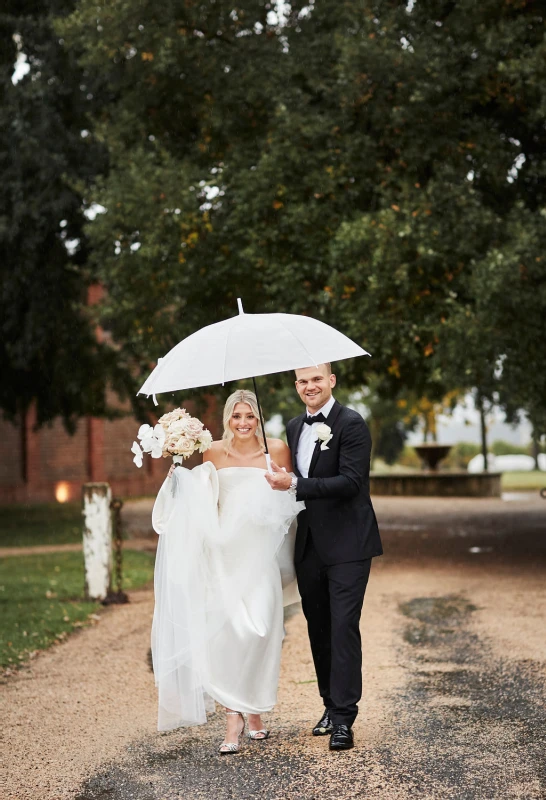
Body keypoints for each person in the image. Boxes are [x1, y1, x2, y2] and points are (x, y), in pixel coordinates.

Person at [151, 390, 302, 754]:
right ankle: (234, 717)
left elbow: (292, 497)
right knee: (229, 633)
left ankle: (253, 708)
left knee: (262, 630)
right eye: (237, 417)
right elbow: (205, 501)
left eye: (250, 416)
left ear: (259, 419)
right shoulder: (213, 451)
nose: (244, 423)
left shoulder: (277, 450)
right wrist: (178, 477)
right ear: (226, 420)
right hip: (223, 554)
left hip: (262, 554)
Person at [265, 363, 382, 751]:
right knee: (319, 628)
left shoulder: (351, 423)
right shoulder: (295, 427)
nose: (310, 386)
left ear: (331, 381)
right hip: (309, 545)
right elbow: (291, 484)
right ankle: (330, 705)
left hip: (349, 545)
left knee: (343, 625)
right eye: (302, 380)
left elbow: (351, 482)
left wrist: (296, 483)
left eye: (317, 379)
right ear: (296, 386)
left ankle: (345, 719)